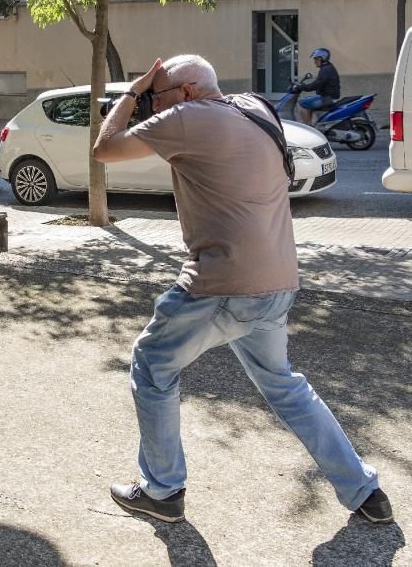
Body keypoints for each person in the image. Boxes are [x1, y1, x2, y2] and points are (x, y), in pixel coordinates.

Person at [91, 54, 391, 525]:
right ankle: (364, 491)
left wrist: (132, 91)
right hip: (277, 281)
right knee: (285, 385)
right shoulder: (256, 107)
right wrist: (154, 93)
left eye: (159, 96)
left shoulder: (188, 116)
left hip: (220, 284)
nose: (154, 106)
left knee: (151, 366)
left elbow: (105, 149)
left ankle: (163, 491)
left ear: (186, 91)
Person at [296, 47, 340, 126]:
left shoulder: (325, 70)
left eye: (316, 59)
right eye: (314, 59)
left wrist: (303, 87)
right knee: (309, 101)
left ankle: (308, 127)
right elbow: (318, 83)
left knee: (301, 103)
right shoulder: (328, 68)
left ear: (323, 58)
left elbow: (317, 84)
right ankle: (313, 125)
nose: (315, 61)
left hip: (326, 98)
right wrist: (304, 86)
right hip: (328, 97)